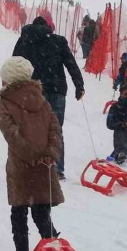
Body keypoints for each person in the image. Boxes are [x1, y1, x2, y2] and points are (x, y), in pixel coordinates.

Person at [0, 57, 63, 251]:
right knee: (42, 211)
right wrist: (50, 153)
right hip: (45, 166)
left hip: (21, 166)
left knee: (19, 211)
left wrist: (29, 155)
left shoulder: (5, 103)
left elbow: (12, 135)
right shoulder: (42, 101)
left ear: (8, 80)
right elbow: (55, 129)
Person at [13, 16, 85, 180]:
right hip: (57, 89)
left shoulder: (25, 40)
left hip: (33, 90)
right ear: (47, 27)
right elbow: (70, 64)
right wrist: (79, 85)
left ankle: (34, 165)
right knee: (55, 129)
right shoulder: (58, 41)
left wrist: (13, 88)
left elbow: (14, 64)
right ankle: (57, 169)